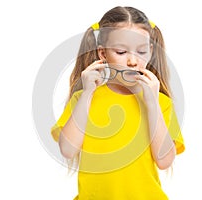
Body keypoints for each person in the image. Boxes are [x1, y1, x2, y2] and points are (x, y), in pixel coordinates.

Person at [51, 6, 185, 200]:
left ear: (151, 52)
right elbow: (68, 150)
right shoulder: (84, 98)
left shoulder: (160, 102)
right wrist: (88, 92)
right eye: (121, 52)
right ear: (103, 54)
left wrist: (152, 103)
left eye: (141, 51)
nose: (132, 61)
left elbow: (164, 161)